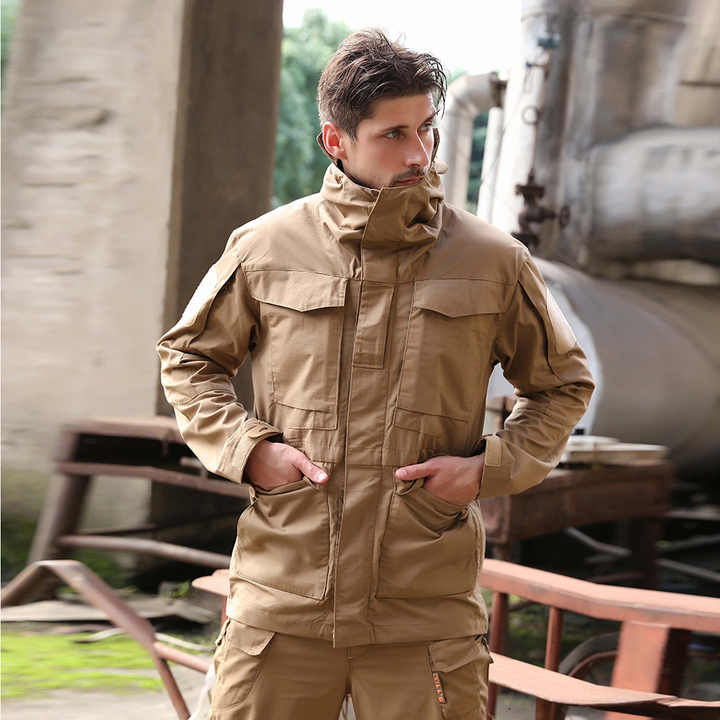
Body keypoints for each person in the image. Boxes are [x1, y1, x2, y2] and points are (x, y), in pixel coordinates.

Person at [157, 30, 594, 720]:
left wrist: (488, 469)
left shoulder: (491, 260)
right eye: (394, 134)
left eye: (427, 129)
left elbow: (562, 385)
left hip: (424, 611)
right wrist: (248, 450)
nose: (420, 153)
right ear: (336, 141)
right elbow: (189, 360)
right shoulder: (266, 247)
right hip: (283, 597)